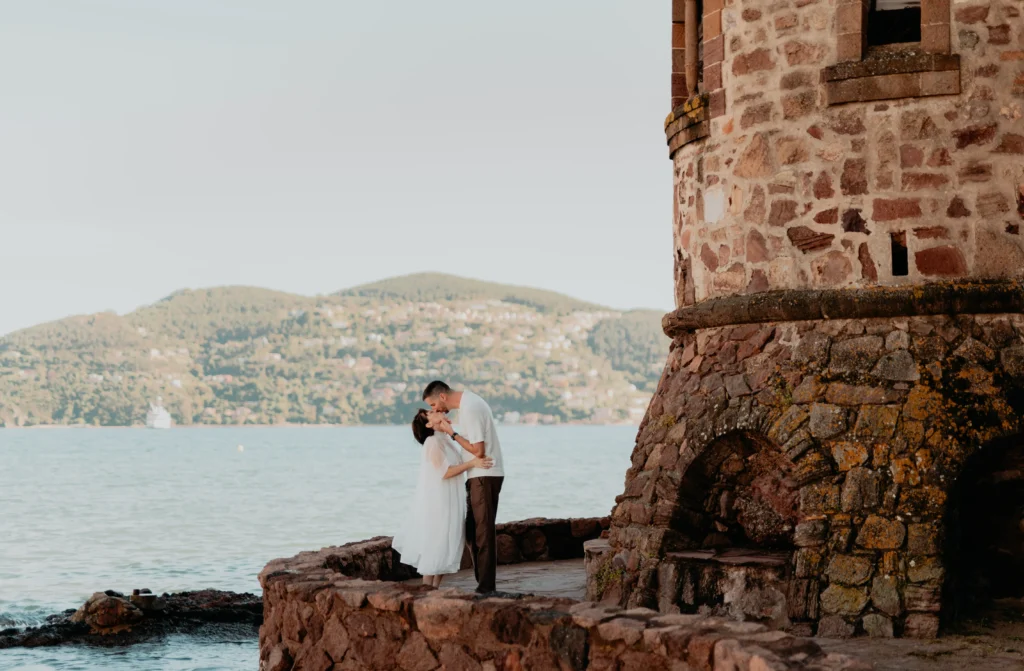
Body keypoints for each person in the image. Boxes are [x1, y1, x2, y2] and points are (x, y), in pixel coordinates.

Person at [392, 409, 493, 587]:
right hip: (440, 501)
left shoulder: (444, 439)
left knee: (445, 547)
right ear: (429, 424)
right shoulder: (432, 442)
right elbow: (444, 472)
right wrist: (472, 463)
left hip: (451, 498)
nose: (437, 410)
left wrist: (452, 432)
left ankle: (434, 590)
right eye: (431, 412)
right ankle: (426, 591)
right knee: (435, 546)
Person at [422, 380, 505, 594]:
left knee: (482, 533)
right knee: (472, 533)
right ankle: (483, 584)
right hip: (477, 475)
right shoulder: (468, 405)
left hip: (484, 474)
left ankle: (486, 588)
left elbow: (479, 451)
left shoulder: (471, 408)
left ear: (442, 396)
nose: (435, 410)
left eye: (433, 405)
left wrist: (452, 433)